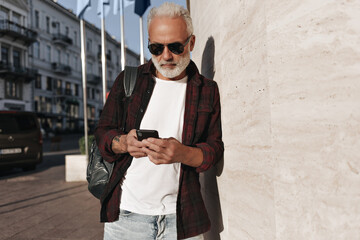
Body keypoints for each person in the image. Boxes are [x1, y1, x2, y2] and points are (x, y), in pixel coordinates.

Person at [95, 2, 224, 240]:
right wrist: (123, 142)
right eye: (156, 48)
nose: (165, 56)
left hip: (183, 219)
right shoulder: (129, 80)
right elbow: (103, 133)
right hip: (127, 218)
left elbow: (215, 149)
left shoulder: (207, 90)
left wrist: (182, 153)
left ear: (191, 43)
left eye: (175, 47)